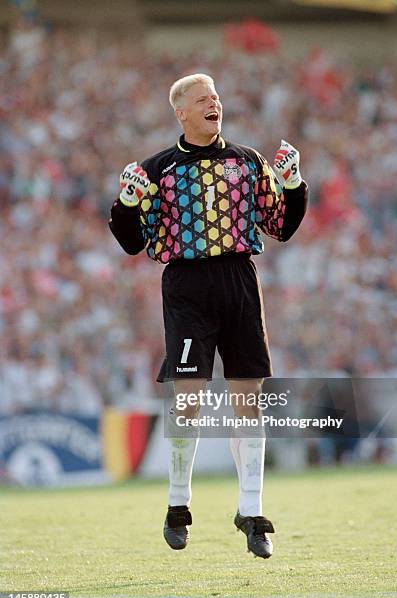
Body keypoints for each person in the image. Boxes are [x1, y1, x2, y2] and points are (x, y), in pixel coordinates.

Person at [109, 73, 308, 559]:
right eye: (202, 100)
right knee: (188, 396)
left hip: (240, 278)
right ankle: (179, 504)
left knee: (249, 396)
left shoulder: (247, 161)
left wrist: (294, 183)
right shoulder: (156, 170)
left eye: (215, 97)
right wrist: (126, 204)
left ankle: (252, 511)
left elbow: (281, 225)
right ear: (181, 113)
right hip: (186, 284)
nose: (213, 103)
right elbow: (132, 240)